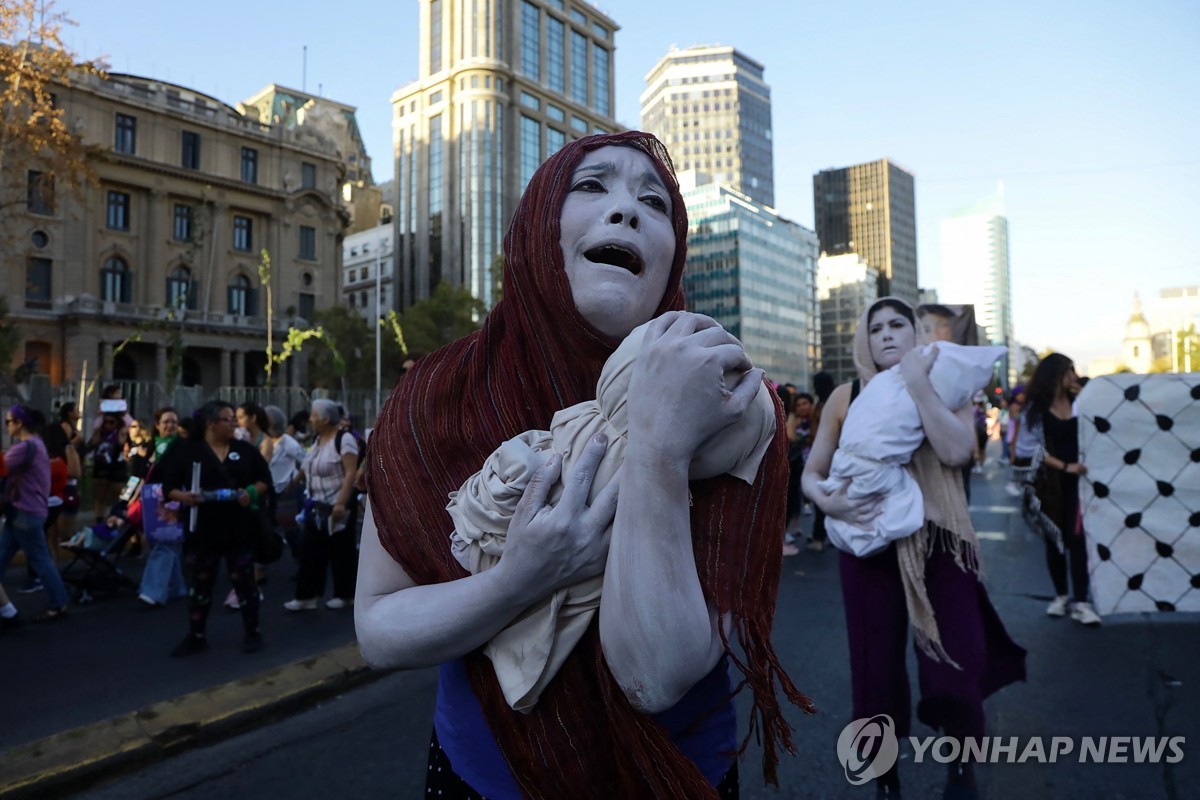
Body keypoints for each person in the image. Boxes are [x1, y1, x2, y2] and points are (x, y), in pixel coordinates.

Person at [356, 132, 810, 799]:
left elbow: (655, 675)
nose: (625, 210)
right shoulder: (435, 396)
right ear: (539, 225)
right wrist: (520, 579)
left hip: (679, 777)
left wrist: (657, 438)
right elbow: (378, 630)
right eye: (592, 186)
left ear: (672, 257)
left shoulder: (732, 397)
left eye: (653, 202)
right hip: (483, 777)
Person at [802, 298, 1026, 799]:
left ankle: (962, 766)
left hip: (940, 540)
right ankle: (885, 776)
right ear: (864, 338)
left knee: (955, 660)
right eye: (875, 326)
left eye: (897, 324)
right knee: (874, 670)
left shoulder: (947, 381)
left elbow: (955, 451)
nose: (885, 334)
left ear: (915, 333)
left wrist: (918, 383)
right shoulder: (846, 396)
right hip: (866, 543)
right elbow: (812, 474)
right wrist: (827, 504)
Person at [165, 401, 272, 656]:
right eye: (228, 419)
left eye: (235, 419)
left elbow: (264, 481)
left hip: (239, 529)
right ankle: (196, 634)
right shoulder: (188, 451)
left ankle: (252, 632)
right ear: (211, 424)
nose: (234, 424)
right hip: (202, 531)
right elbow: (167, 485)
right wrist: (184, 497)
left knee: (245, 584)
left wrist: (250, 493)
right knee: (199, 587)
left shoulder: (244, 450)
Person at [1013, 354, 1100, 627]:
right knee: (1054, 539)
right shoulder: (1035, 409)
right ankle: (1061, 595)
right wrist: (1065, 466)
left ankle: (1081, 601)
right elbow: (1027, 449)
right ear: (1055, 375)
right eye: (1068, 371)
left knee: (1077, 541)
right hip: (1049, 484)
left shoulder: (1080, 403)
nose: (1073, 376)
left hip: (1079, 483)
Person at [284, 399, 359, 611]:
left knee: (341, 552)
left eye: (314, 415)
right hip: (317, 506)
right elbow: (308, 464)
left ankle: (346, 595)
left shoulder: (344, 441)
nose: (310, 419)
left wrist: (341, 503)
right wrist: (294, 482)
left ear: (325, 419)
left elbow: (351, 473)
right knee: (311, 552)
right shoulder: (318, 439)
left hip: (337, 506)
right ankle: (306, 597)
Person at [2, 404, 71, 621]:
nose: (6, 426)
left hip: (25, 512)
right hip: (24, 512)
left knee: (40, 559)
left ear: (19, 423)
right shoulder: (37, 444)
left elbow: (2, 467)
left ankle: (59, 603)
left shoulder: (25, 447)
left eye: (8, 421)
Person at [137, 407, 190, 608]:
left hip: (173, 500)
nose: (170, 426)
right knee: (169, 543)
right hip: (149, 501)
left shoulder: (182, 447)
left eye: (174, 422)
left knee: (165, 541)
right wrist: (127, 499)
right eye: (166, 422)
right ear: (157, 425)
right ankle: (176, 587)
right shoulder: (149, 448)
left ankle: (152, 591)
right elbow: (138, 476)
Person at [264, 405, 306, 561]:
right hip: (273, 490)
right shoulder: (266, 441)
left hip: (288, 490)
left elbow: (306, 462)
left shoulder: (287, 442)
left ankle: (302, 561)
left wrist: (294, 481)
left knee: (291, 529)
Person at [806, 372, 836, 551]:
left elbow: (817, 432)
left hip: (821, 453)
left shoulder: (822, 406)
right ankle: (828, 534)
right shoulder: (834, 401)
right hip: (832, 453)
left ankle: (819, 537)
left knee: (821, 495)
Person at [783, 392, 814, 555]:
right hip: (797, 465)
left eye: (805, 403)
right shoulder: (793, 420)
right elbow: (792, 437)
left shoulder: (816, 420)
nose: (803, 407)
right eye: (799, 404)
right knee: (792, 498)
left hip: (812, 464)